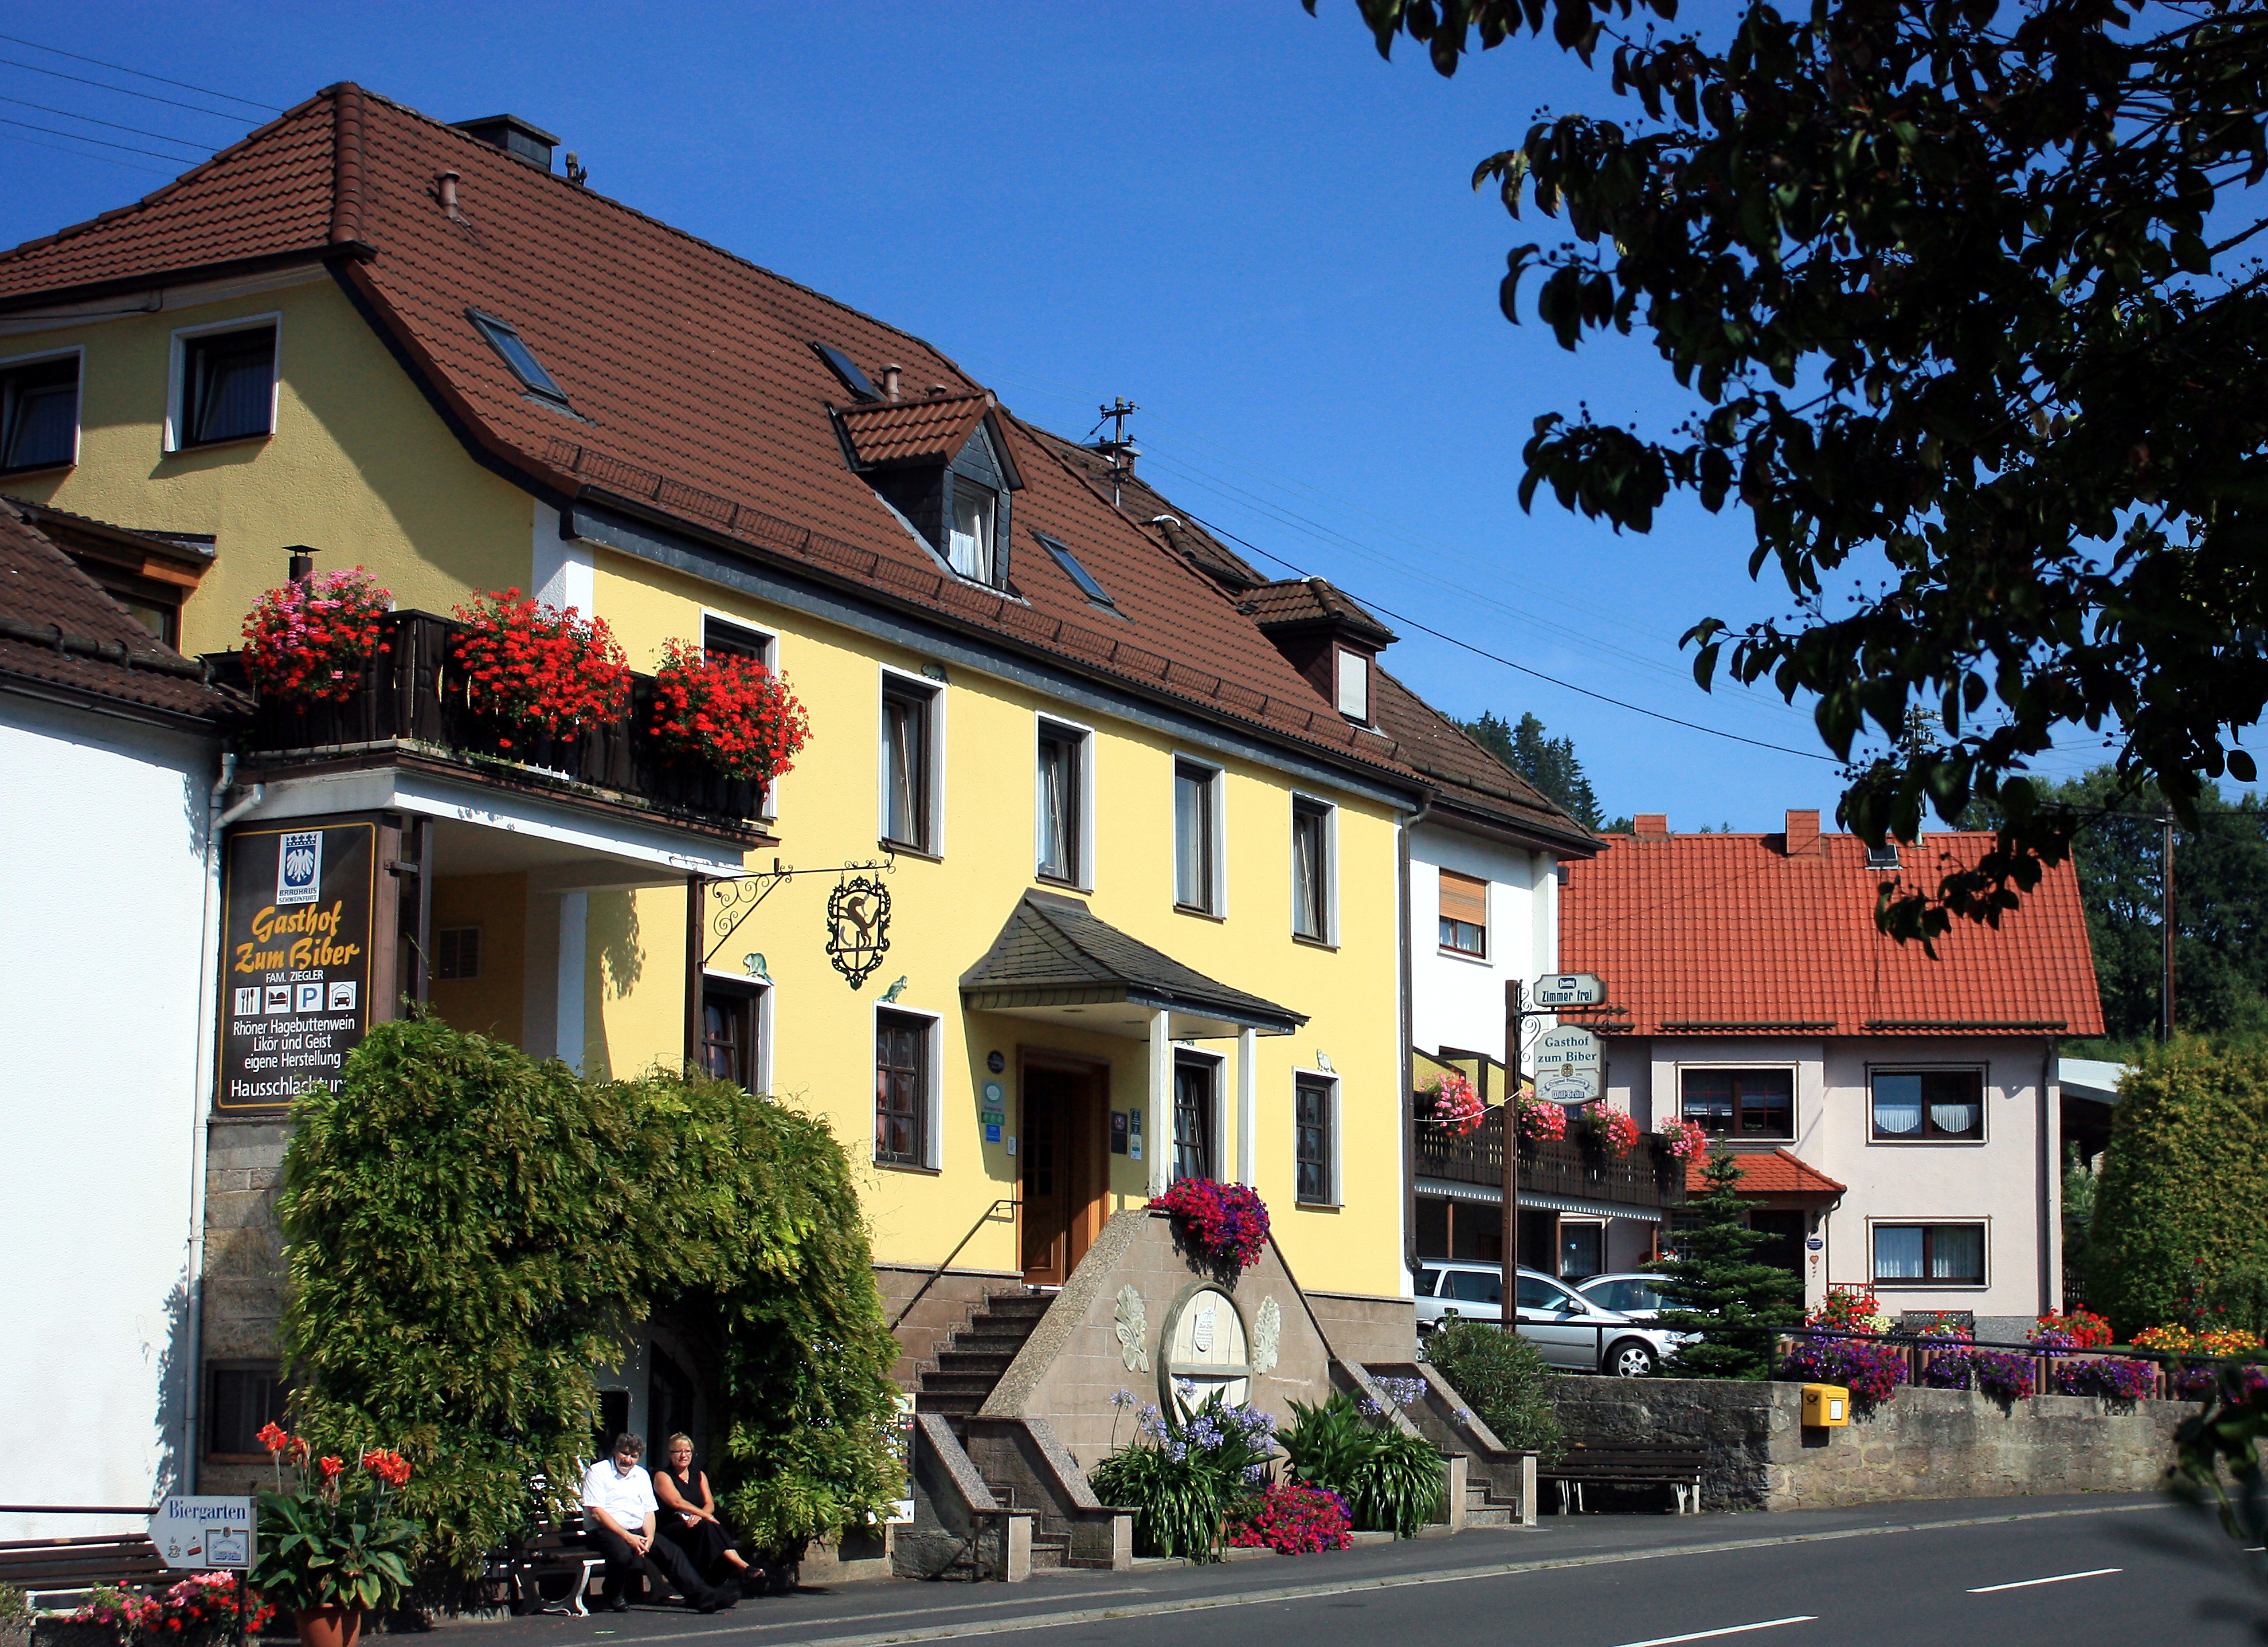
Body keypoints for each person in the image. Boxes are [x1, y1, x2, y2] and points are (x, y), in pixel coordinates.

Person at [579, 1432, 735, 1613]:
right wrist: (628, 1537)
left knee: (671, 1552)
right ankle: (613, 1593)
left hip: (637, 1531)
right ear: (616, 1451)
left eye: (634, 1456)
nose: (628, 1460)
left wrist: (650, 1537)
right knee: (621, 1554)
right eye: (625, 1454)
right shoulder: (598, 1471)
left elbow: (649, 1511)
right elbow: (597, 1513)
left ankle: (704, 1597)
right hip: (604, 1531)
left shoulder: (642, 1475)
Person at [652, 1433, 752, 1590]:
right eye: (678, 1451)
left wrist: (700, 1516)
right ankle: (742, 1565)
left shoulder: (699, 1475)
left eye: (688, 1451)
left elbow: (709, 1504)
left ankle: (712, 1581)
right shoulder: (662, 1476)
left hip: (697, 1525)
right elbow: (676, 1502)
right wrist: (705, 1516)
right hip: (673, 1526)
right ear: (670, 1454)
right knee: (709, 1526)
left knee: (707, 1528)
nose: (683, 1455)